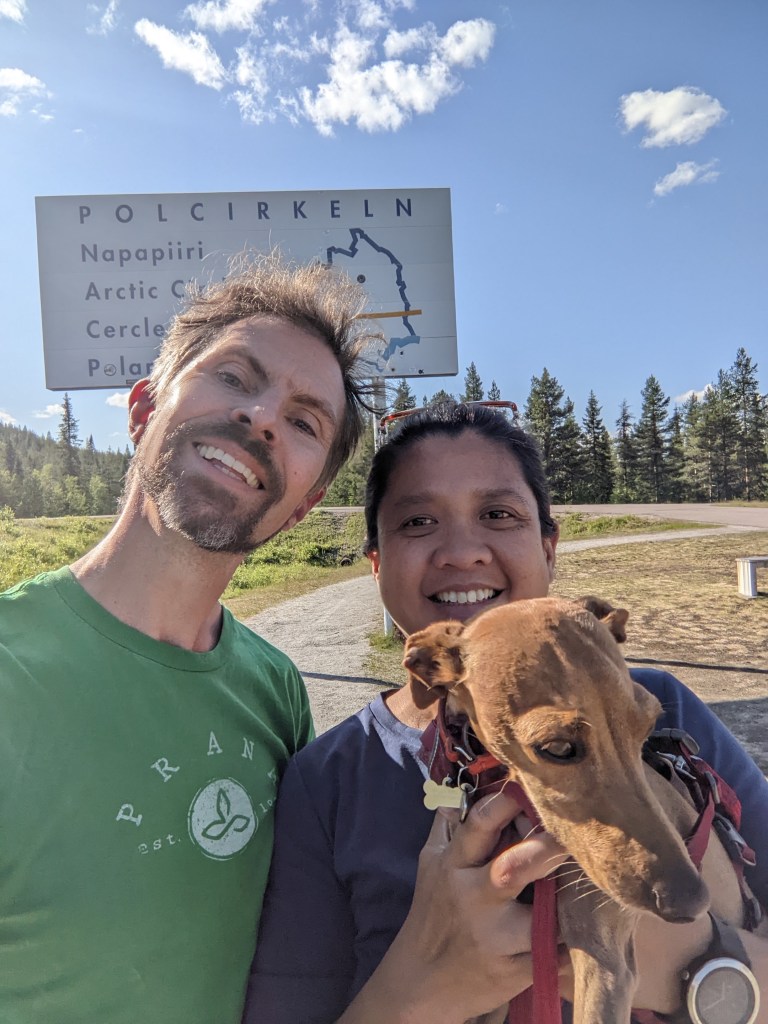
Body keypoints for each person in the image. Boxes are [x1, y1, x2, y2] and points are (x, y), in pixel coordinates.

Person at [246, 401, 768, 1023]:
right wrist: (419, 987)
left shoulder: (662, 709)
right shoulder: (327, 783)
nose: (463, 552)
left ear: (548, 549)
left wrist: (696, 967)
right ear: (377, 564)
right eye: (417, 521)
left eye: (498, 514)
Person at [0, 254, 378, 1024]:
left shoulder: (275, 691)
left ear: (303, 507)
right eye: (234, 377)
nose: (263, 417)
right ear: (143, 408)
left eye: (304, 422)